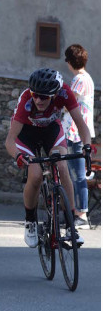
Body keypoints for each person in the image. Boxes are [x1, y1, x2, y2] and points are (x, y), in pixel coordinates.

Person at [5, 68, 91, 247]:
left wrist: (87, 146)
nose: (38, 100)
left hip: (51, 131)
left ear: (54, 94)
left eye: (43, 97)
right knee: (35, 175)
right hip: (26, 135)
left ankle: (70, 225)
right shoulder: (26, 100)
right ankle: (30, 222)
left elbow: (81, 124)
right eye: (35, 94)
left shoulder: (65, 92)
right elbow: (10, 141)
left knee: (61, 165)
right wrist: (19, 156)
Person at [61, 44, 96, 229]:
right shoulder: (87, 78)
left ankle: (81, 215)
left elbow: (68, 105)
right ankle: (77, 213)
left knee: (77, 175)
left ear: (69, 62)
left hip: (75, 132)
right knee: (76, 175)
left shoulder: (79, 80)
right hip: (79, 131)